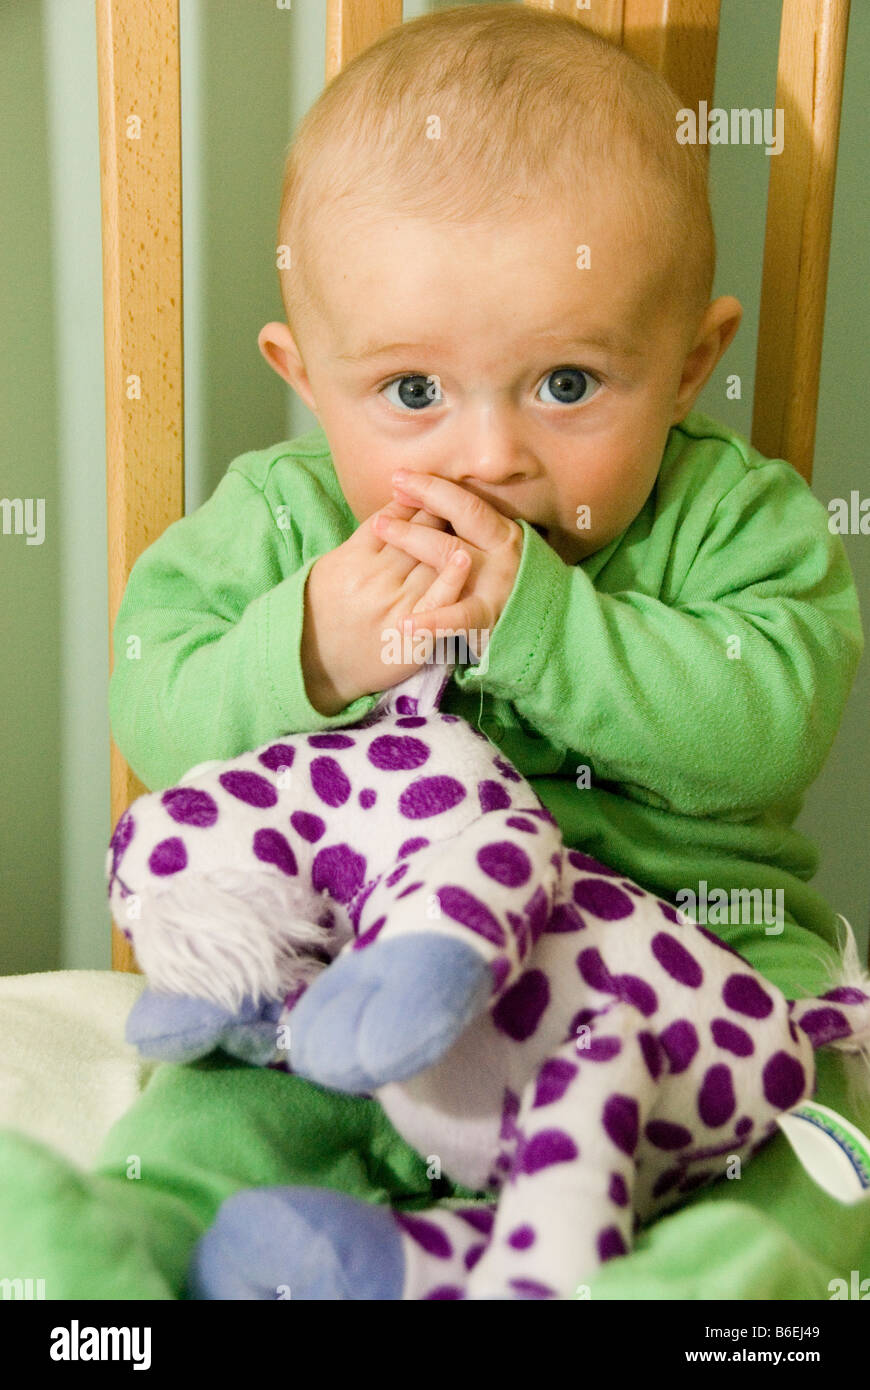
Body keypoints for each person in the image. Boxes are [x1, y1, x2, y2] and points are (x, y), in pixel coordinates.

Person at [2, 4, 866, 1300]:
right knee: (214, 1120)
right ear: (308, 375)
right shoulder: (287, 521)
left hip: (685, 984)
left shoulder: (732, 521)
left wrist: (542, 625)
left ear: (687, 365)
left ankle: (704, 1284)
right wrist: (311, 647)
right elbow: (158, 711)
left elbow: (767, 729)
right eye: (411, 393)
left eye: (566, 383)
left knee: (806, 1152)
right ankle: (128, 1262)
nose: (484, 455)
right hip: (358, 989)